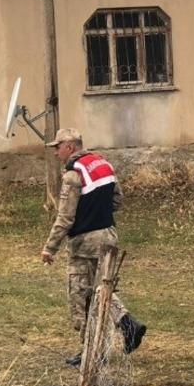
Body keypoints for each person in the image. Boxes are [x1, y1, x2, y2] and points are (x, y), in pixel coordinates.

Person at [40, 128, 146, 364]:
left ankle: (92, 349)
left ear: (70, 146)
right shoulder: (102, 164)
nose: (56, 153)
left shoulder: (73, 175)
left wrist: (50, 247)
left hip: (85, 243)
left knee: (82, 294)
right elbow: (118, 199)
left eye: (58, 147)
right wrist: (99, 213)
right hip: (108, 235)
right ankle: (126, 325)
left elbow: (65, 217)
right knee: (102, 287)